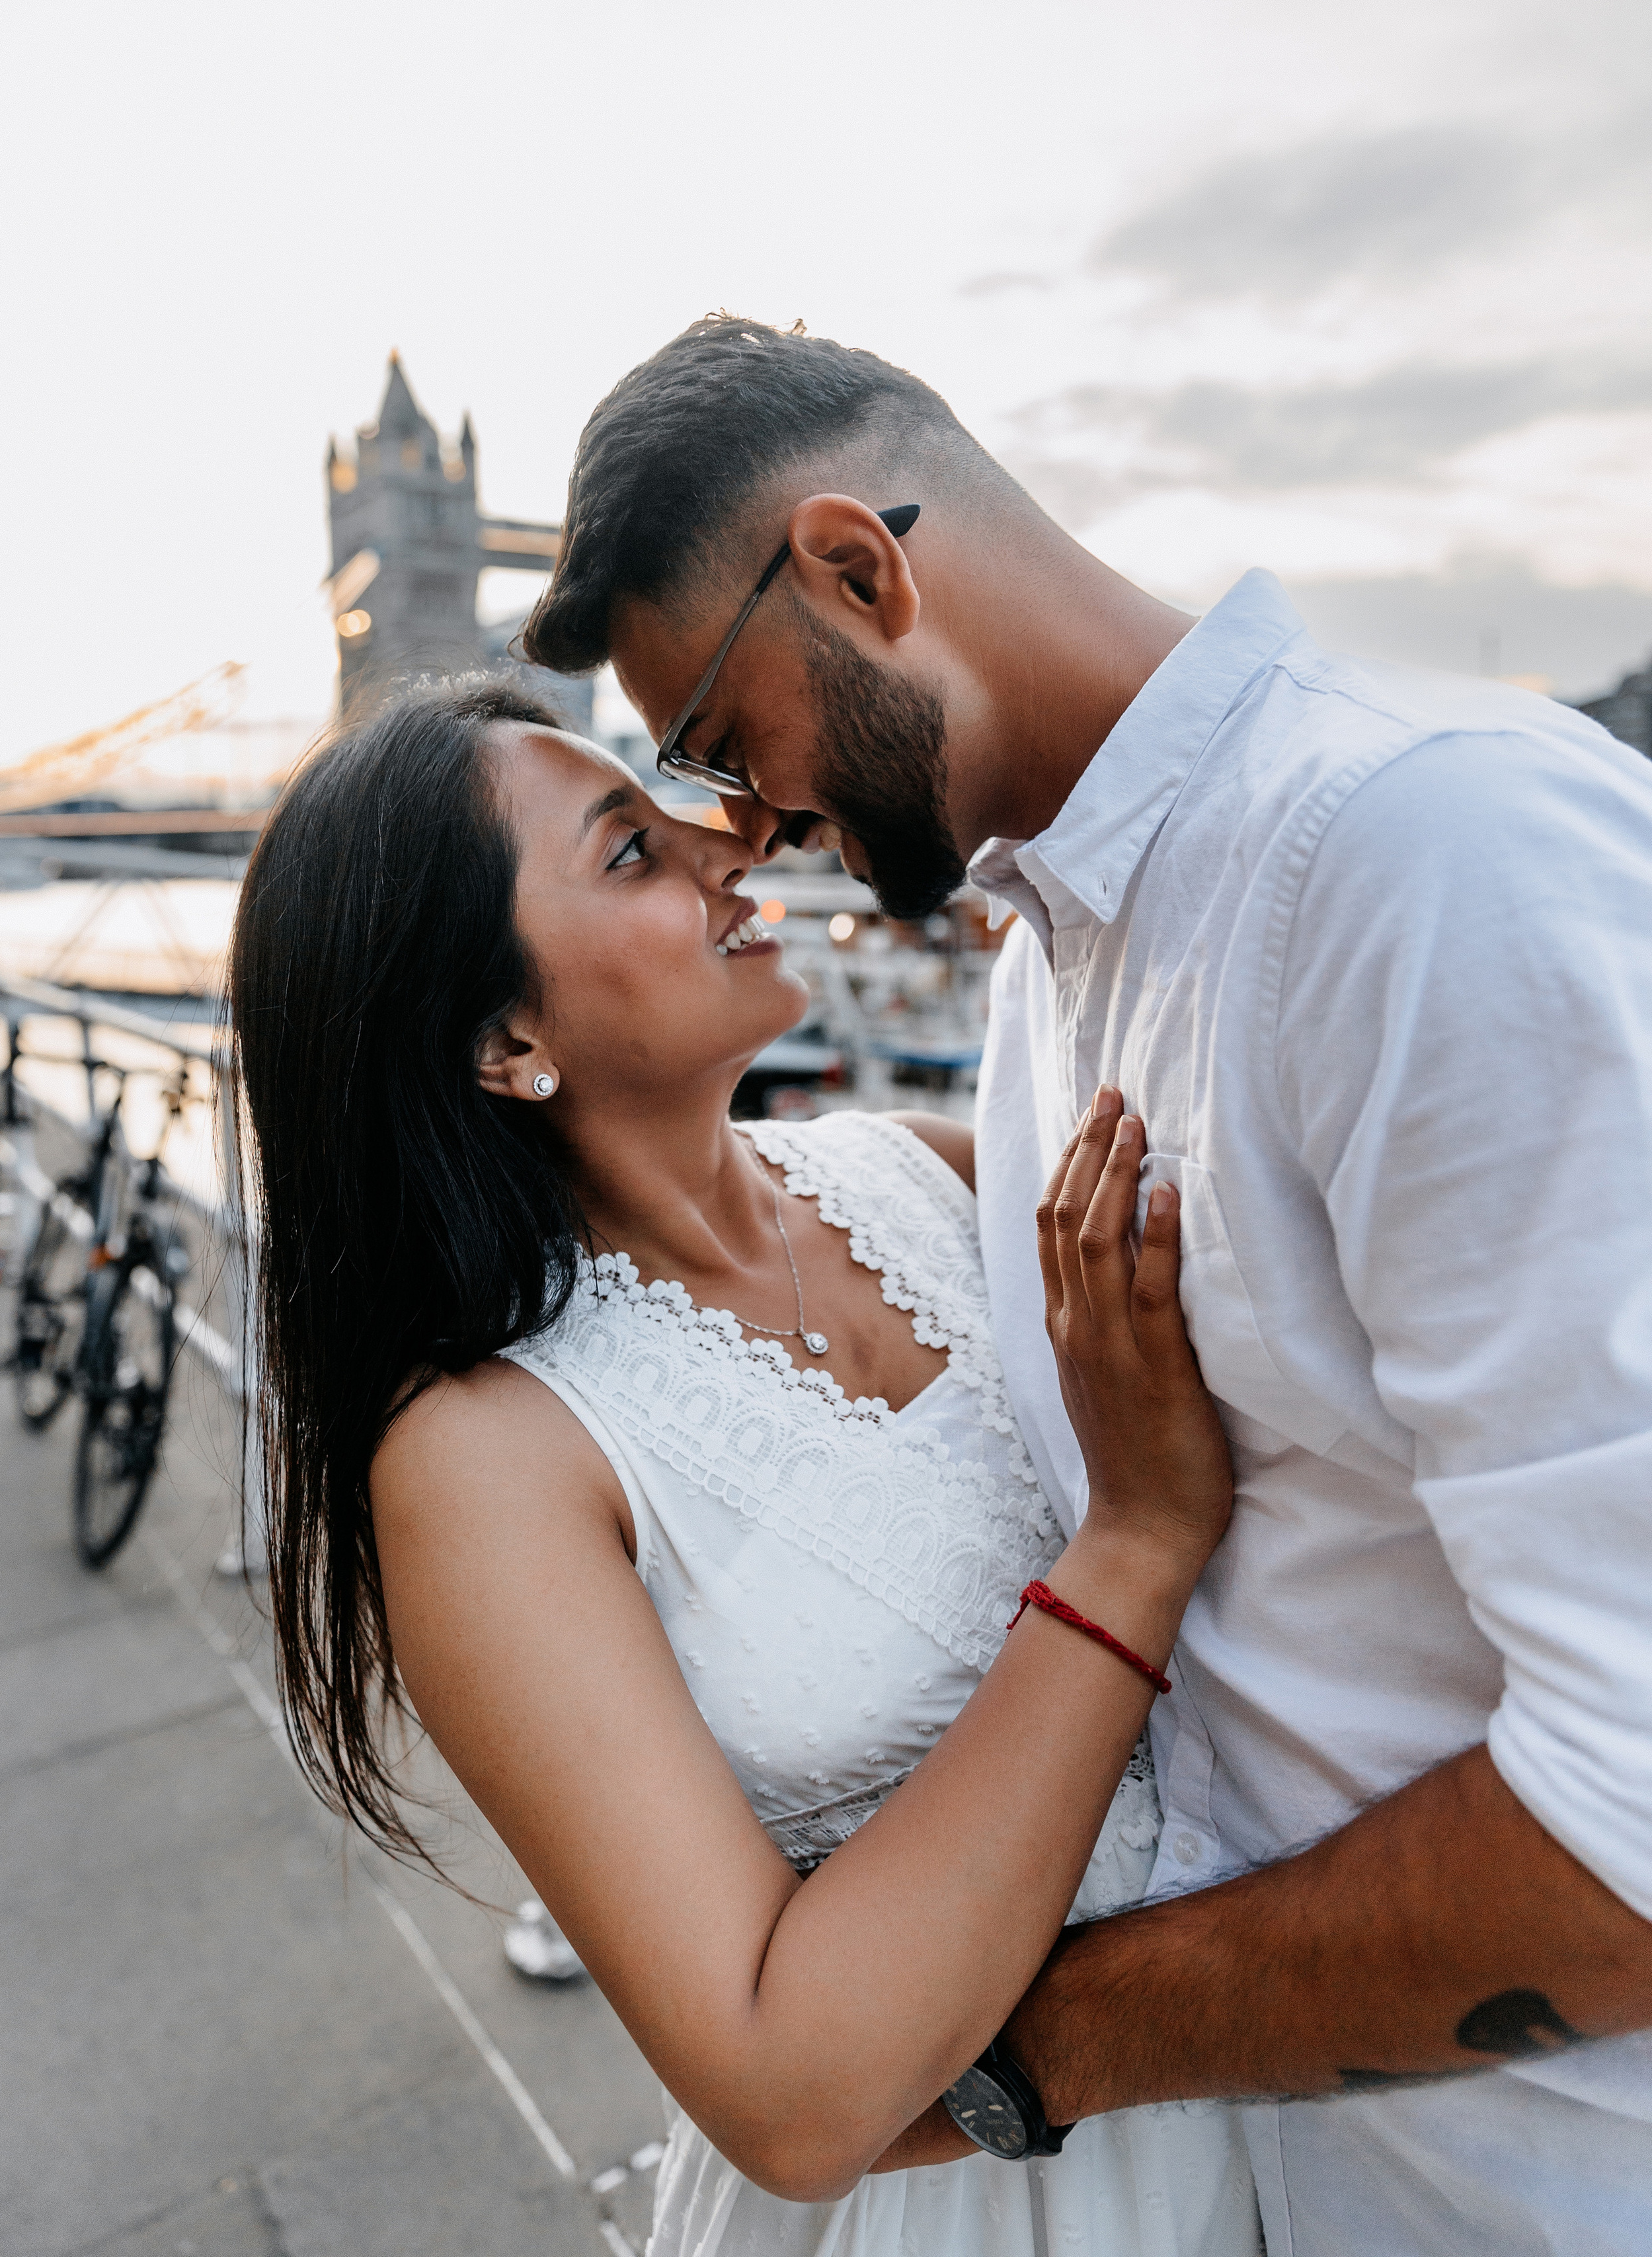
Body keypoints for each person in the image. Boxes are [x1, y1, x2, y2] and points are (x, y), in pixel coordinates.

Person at [524, 314, 1652, 2253]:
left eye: (711, 742)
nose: (741, 828)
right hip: (1278, 2189)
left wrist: (1033, 2061)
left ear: (854, 572)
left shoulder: (1424, 860)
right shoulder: (1051, 976)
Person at [227, 682, 1261, 2256]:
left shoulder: (922, 1171)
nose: (730, 848)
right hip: (968, 2207)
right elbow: (788, 2101)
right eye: (629, 851)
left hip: (1285, 2118)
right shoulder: (486, 1453)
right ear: (506, 1041)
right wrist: (1132, 1542)